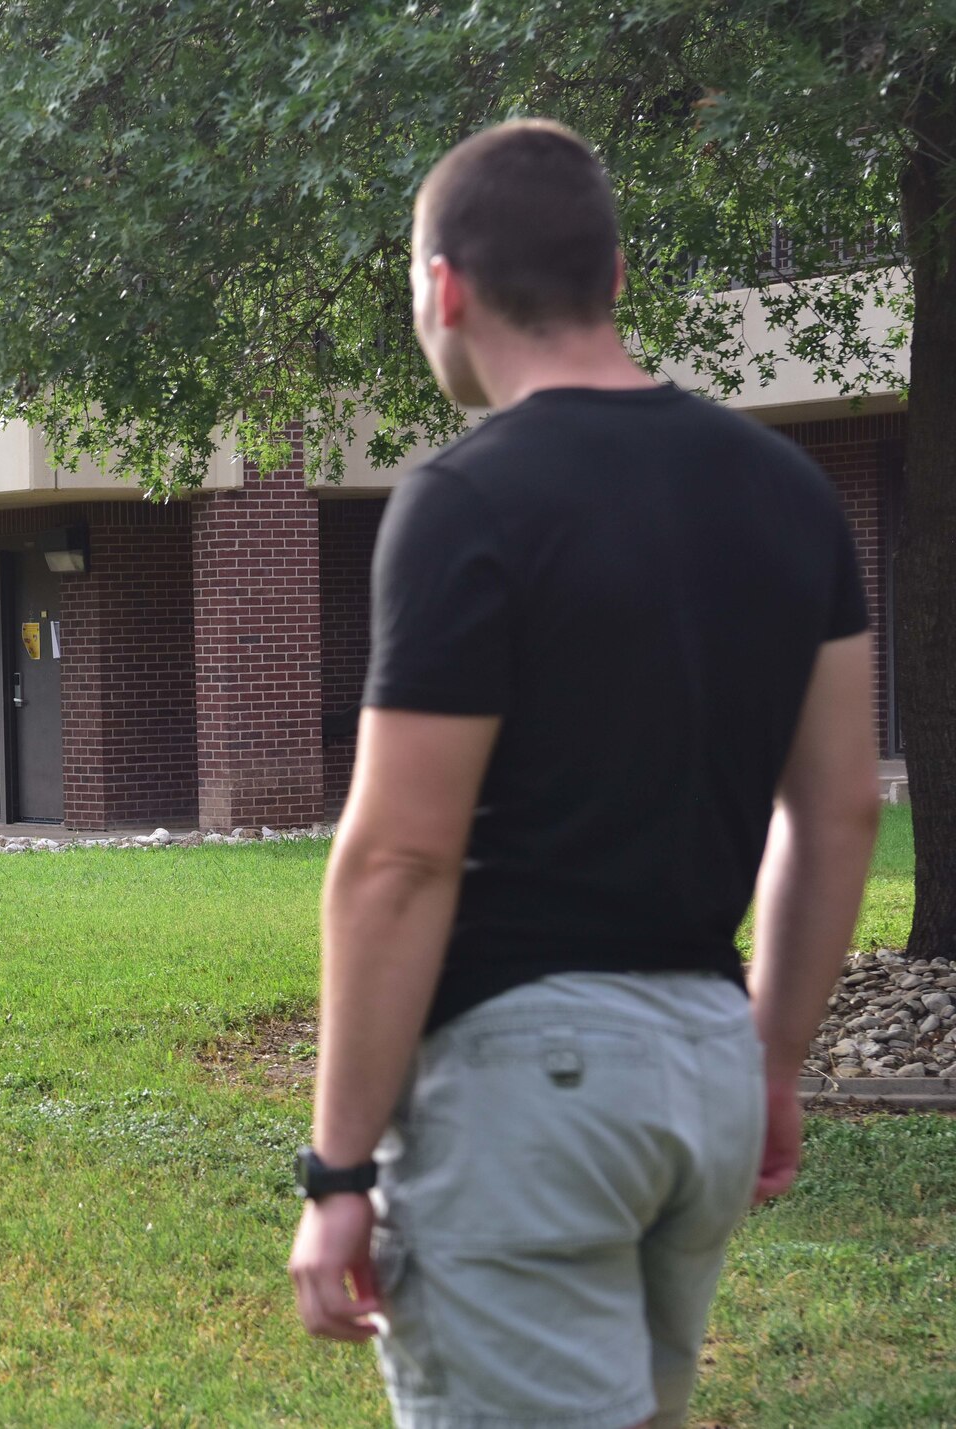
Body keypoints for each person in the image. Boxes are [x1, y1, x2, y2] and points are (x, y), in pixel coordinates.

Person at [288, 119, 882, 1429]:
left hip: (529, 1091)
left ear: (444, 287)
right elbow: (840, 806)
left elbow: (399, 857)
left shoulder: (467, 498)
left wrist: (335, 1174)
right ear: (614, 277)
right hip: (702, 1070)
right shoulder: (790, 494)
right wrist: (771, 1058)